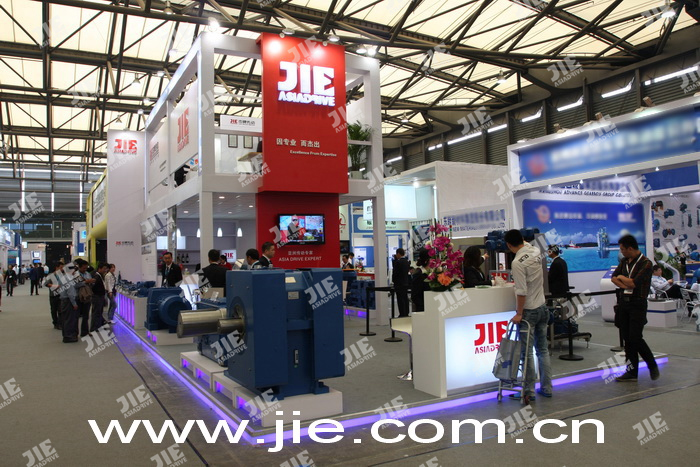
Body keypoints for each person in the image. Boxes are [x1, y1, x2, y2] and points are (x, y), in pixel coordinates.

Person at [505, 229, 552, 404]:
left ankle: (528, 391)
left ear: (508, 245)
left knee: (527, 354)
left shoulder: (517, 263)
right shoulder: (536, 251)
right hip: (542, 307)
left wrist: (519, 313)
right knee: (543, 350)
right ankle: (547, 388)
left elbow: (521, 291)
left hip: (529, 312)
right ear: (523, 239)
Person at [612, 235, 659, 382]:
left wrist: (623, 279)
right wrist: (624, 283)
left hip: (637, 304)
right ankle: (631, 372)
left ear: (630, 248)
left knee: (635, 337)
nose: (621, 252)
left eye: (622, 249)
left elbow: (634, 283)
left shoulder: (646, 264)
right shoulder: (624, 261)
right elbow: (614, 277)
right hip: (624, 303)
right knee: (627, 339)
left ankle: (652, 364)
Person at [74, 259, 95, 338]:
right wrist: (85, 282)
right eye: (83, 268)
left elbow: (91, 284)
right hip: (78, 297)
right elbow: (75, 285)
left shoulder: (88, 274)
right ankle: (75, 333)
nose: (85, 269)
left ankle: (85, 332)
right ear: (79, 267)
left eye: (86, 268)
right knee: (76, 316)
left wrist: (91, 282)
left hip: (87, 297)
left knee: (86, 315)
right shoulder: (75, 275)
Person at [43, 262, 65, 329]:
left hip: (61, 295)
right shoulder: (51, 275)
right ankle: (55, 323)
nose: (62, 269)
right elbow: (46, 284)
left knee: (61, 310)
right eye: (61, 267)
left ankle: (60, 323)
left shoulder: (63, 275)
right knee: (54, 310)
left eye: (63, 267)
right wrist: (55, 286)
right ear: (57, 268)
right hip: (53, 295)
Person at [90, 262, 110, 332]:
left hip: (100, 296)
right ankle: (94, 328)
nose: (105, 270)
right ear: (99, 268)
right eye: (104, 269)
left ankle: (98, 326)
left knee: (99, 312)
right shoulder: (96, 276)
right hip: (97, 297)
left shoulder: (100, 276)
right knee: (96, 312)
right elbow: (93, 287)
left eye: (106, 269)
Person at [410, 248, 431, 313]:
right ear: (427, 260)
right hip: (423, 309)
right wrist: (423, 307)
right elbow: (415, 296)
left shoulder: (432, 273)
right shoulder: (418, 274)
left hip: (431, 307)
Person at [392, 248, 410, 317]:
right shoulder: (406, 262)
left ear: (398, 253)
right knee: (405, 298)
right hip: (405, 282)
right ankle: (406, 312)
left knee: (400, 299)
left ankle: (402, 313)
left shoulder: (398, 262)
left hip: (399, 284)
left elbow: (395, 273)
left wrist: (394, 280)